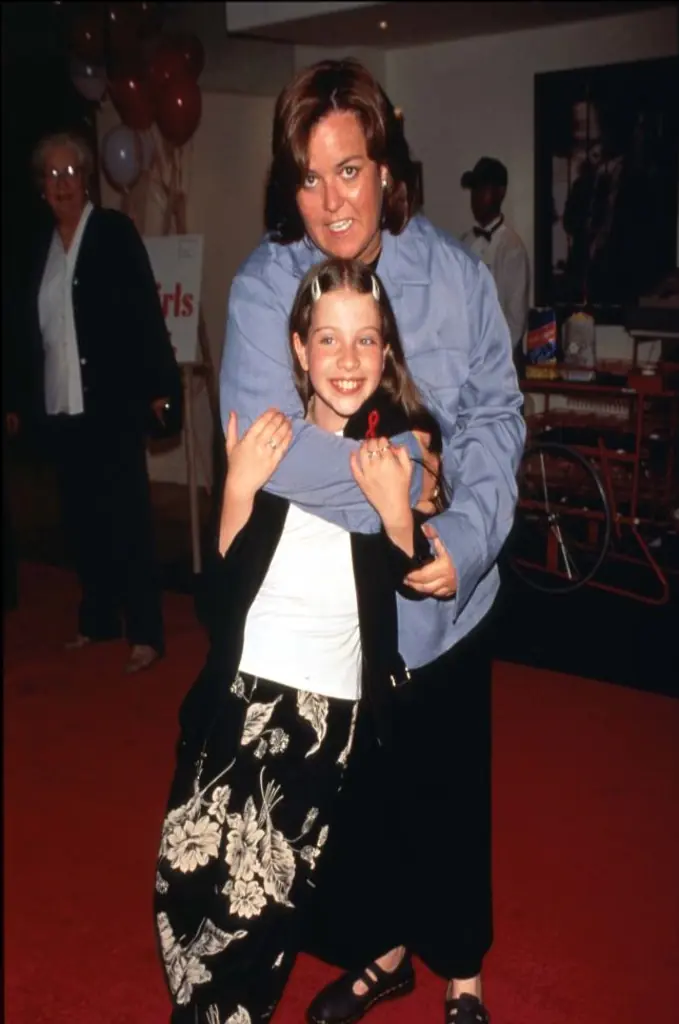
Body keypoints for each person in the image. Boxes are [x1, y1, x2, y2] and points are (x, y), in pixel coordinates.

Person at [220, 60, 525, 1024]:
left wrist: (459, 538)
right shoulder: (266, 285)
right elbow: (271, 452)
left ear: (385, 168)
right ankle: (385, 953)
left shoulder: (457, 278)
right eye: (308, 178)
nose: (331, 201)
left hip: (449, 597)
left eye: (347, 171)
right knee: (361, 805)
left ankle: (462, 970)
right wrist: (402, 496)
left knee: (449, 790)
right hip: (334, 616)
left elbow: (495, 419)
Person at [154, 256, 443, 1024]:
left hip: (317, 717)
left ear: (385, 354)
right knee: (182, 884)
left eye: (365, 341)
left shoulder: (395, 455)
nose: (346, 361)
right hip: (234, 695)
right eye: (327, 339)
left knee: (252, 908)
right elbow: (216, 604)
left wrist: (394, 514)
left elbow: (419, 578)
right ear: (296, 347)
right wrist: (241, 486)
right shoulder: (271, 444)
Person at [7, 131, 181, 673]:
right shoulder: (38, 249)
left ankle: (146, 633)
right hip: (62, 405)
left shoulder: (112, 232)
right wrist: (15, 397)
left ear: (87, 181)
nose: (61, 184)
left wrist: (160, 387)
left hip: (112, 403)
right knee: (83, 521)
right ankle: (99, 619)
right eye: (51, 176)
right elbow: (22, 332)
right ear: (41, 187)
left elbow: (143, 313)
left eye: (70, 174)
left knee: (127, 519)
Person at [460, 157, 530, 364]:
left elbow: (515, 318)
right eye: (473, 191)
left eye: (482, 190)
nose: (475, 198)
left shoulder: (512, 248)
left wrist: (490, 360)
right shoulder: (464, 242)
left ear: (500, 192)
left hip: (499, 362)